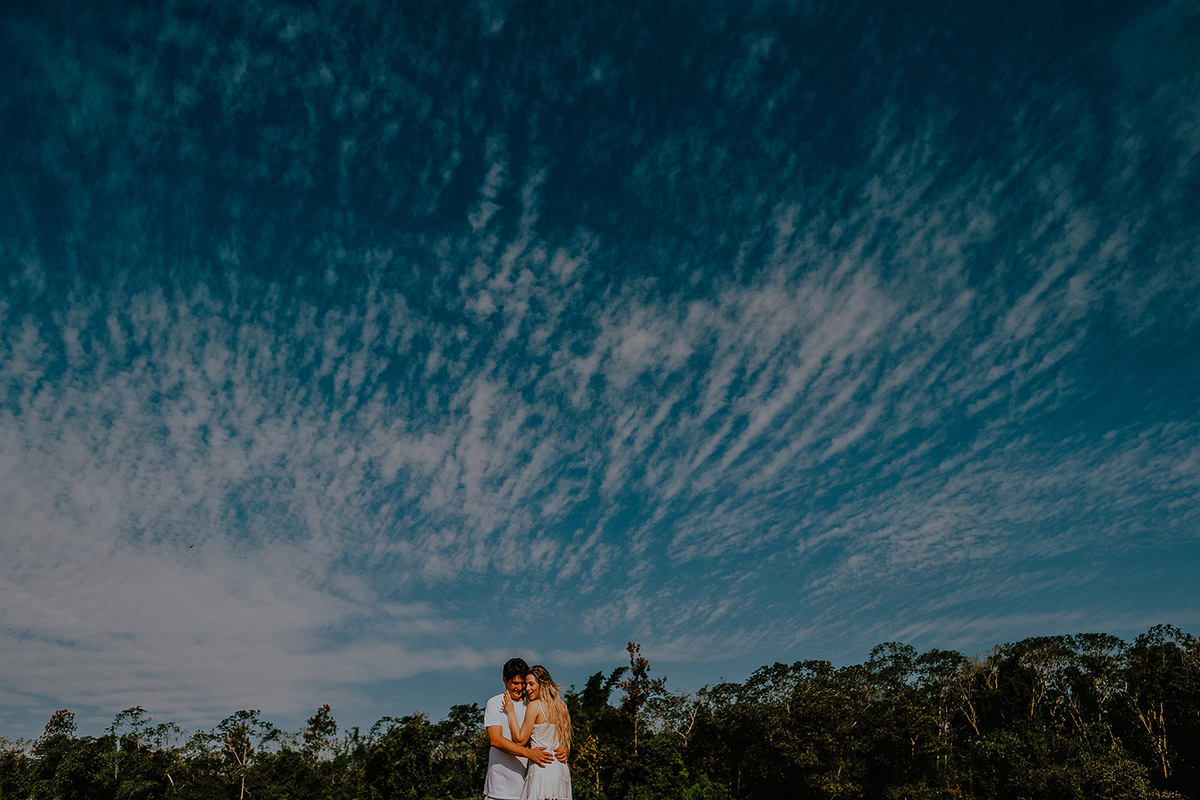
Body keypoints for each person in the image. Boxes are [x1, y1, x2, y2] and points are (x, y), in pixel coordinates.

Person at [484, 658, 564, 800]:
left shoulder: (533, 703)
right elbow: (495, 740)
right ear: (504, 680)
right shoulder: (495, 703)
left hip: (529, 784)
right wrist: (529, 753)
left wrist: (564, 748)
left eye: (523, 683)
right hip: (500, 787)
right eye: (515, 683)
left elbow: (549, 732)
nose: (520, 688)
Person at [503, 665, 572, 800]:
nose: (527, 688)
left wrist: (510, 712)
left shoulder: (534, 706)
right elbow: (563, 741)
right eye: (526, 684)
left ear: (542, 683)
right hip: (560, 770)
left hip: (542, 769)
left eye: (531, 684)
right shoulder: (562, 706)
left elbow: (520, 740)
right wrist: (566, 749)